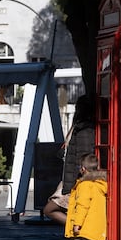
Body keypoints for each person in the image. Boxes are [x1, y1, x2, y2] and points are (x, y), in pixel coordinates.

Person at [43, 95, 95, 225]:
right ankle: (78, 229)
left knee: (50, 209)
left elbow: (84, 156)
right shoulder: (78, 128)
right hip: (72, 178)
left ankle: (80, 230)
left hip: (76, 180)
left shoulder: (84, 130)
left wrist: (79, 179)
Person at [64, 153, 107, 240]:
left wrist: (77, 224)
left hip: (86, 224)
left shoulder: (85, 185)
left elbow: (82, 206)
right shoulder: (100, 184)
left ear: (83, 169)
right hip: (98, 225)